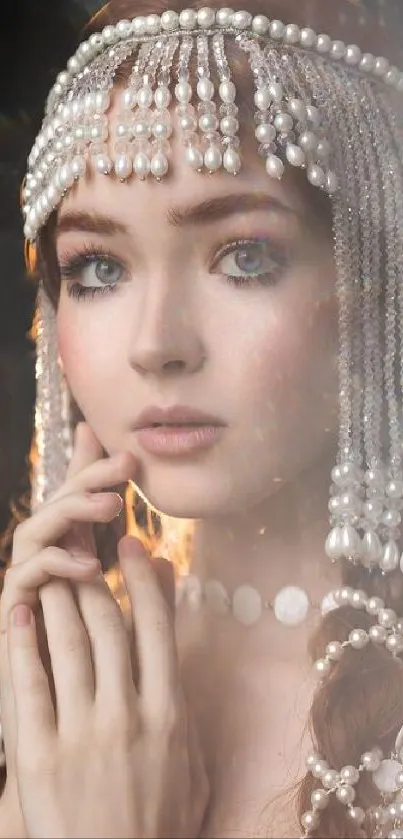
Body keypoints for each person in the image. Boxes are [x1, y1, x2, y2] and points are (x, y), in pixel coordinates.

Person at [1, 0, 403, 836]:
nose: (156, 346)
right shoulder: (45, 688)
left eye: (244, 256)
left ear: (375, 290)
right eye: (99, 266)